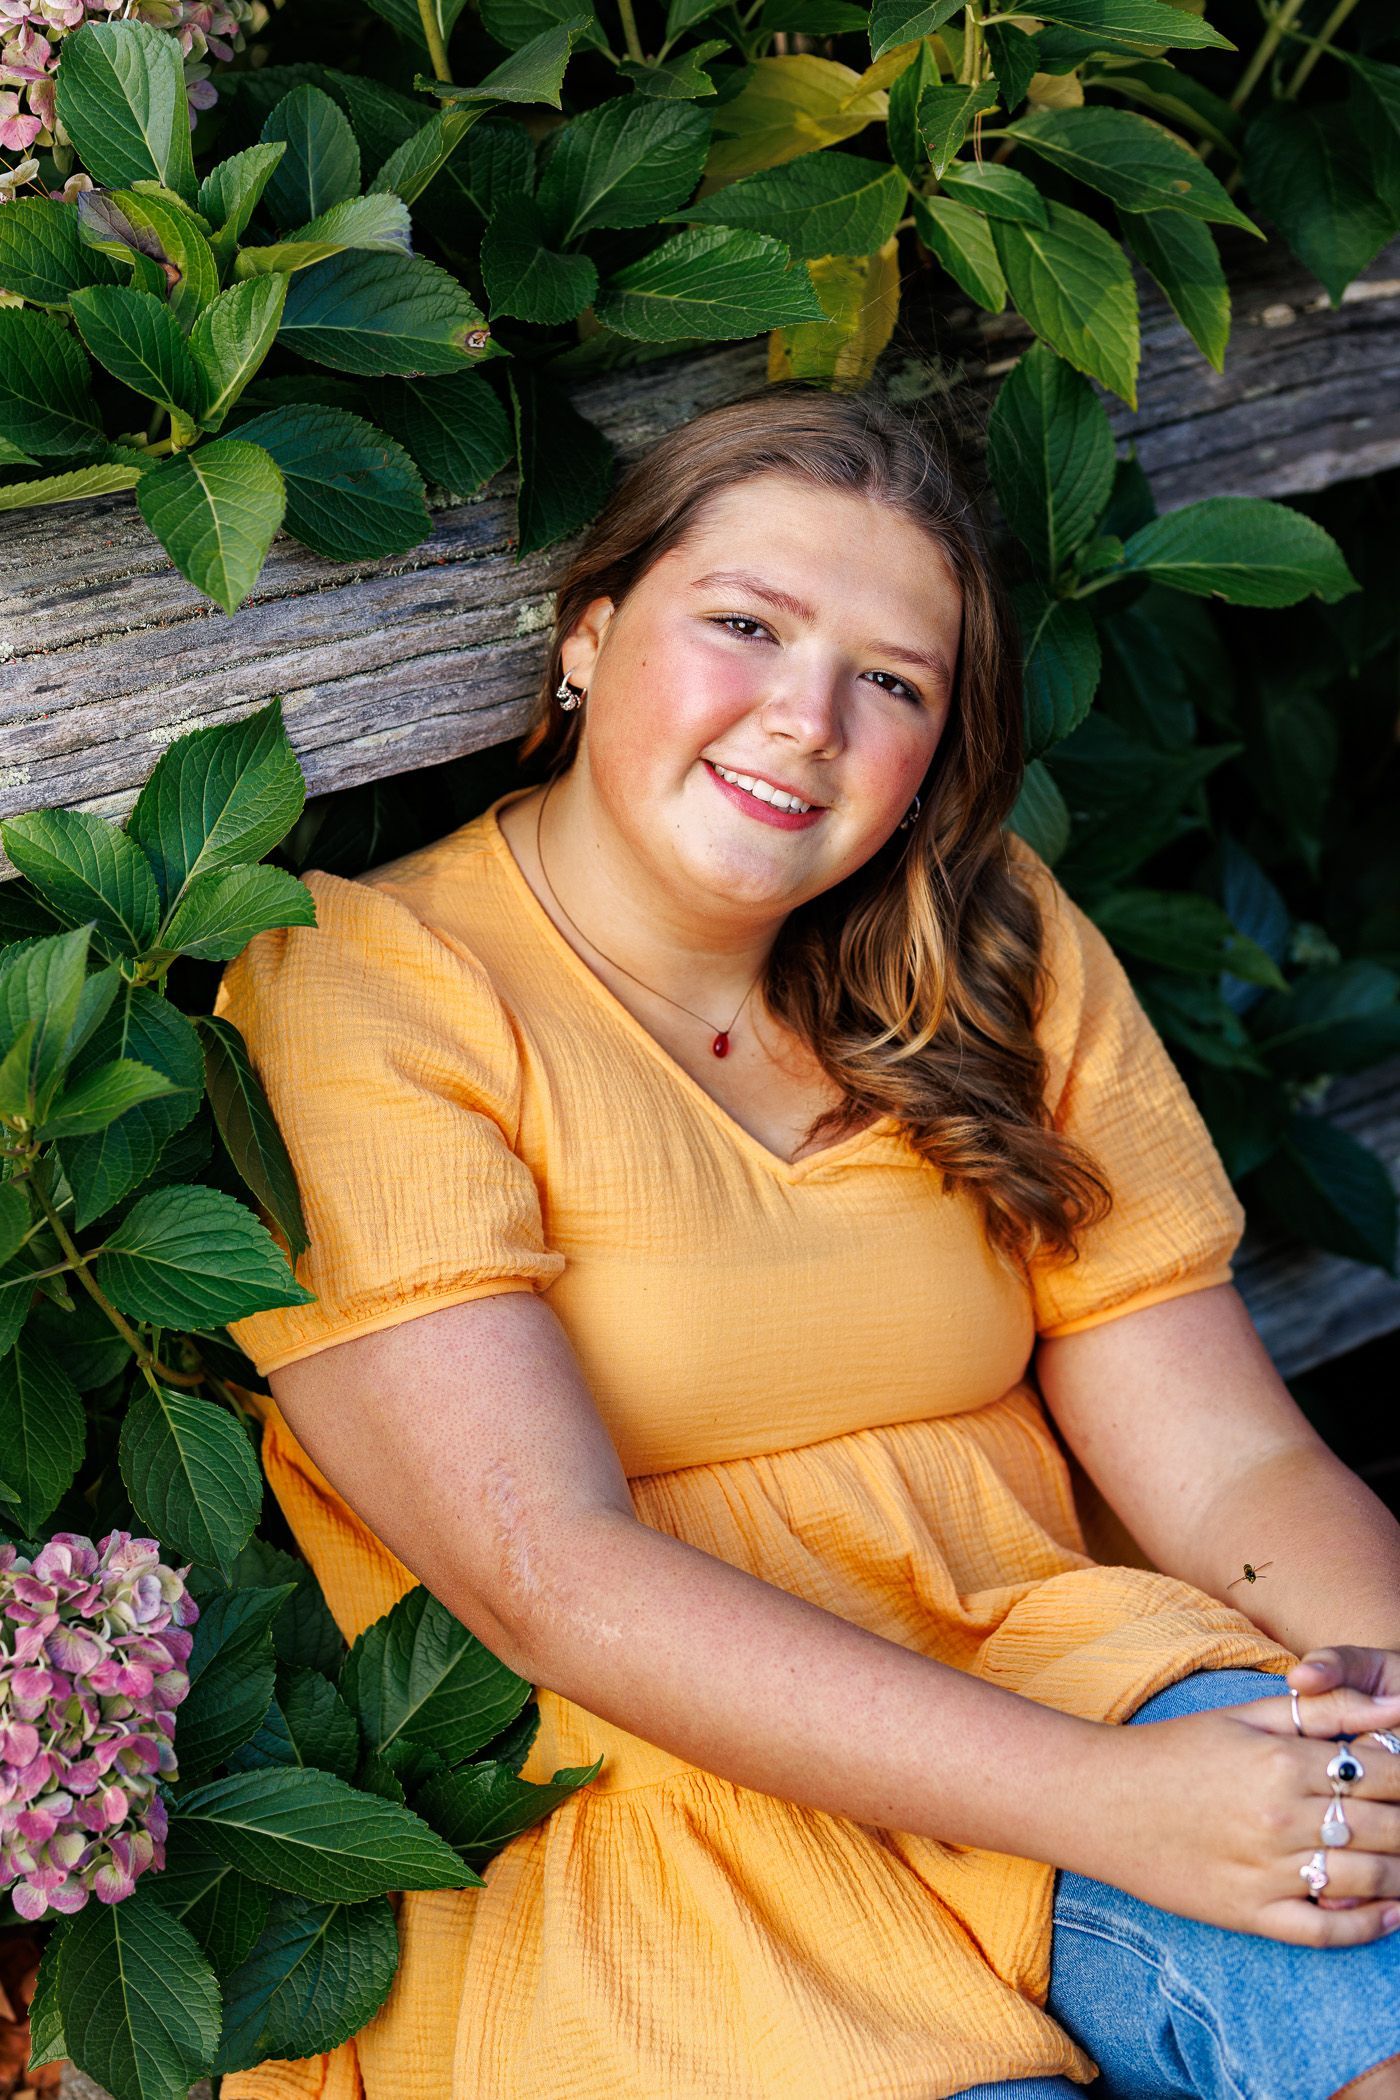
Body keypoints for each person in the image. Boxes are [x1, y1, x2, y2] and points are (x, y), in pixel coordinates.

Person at [212, 382, 1400, 2100]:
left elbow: (1227, 1466)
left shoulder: (986, 944)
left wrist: (1387, 1714)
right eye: (747, 626)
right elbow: (545, 1579)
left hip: (1067, 1689)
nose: (806, 720)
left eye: (891, 682)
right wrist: (1112, 1805)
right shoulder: (366, 981)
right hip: (658, 1832)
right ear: (588, 636)